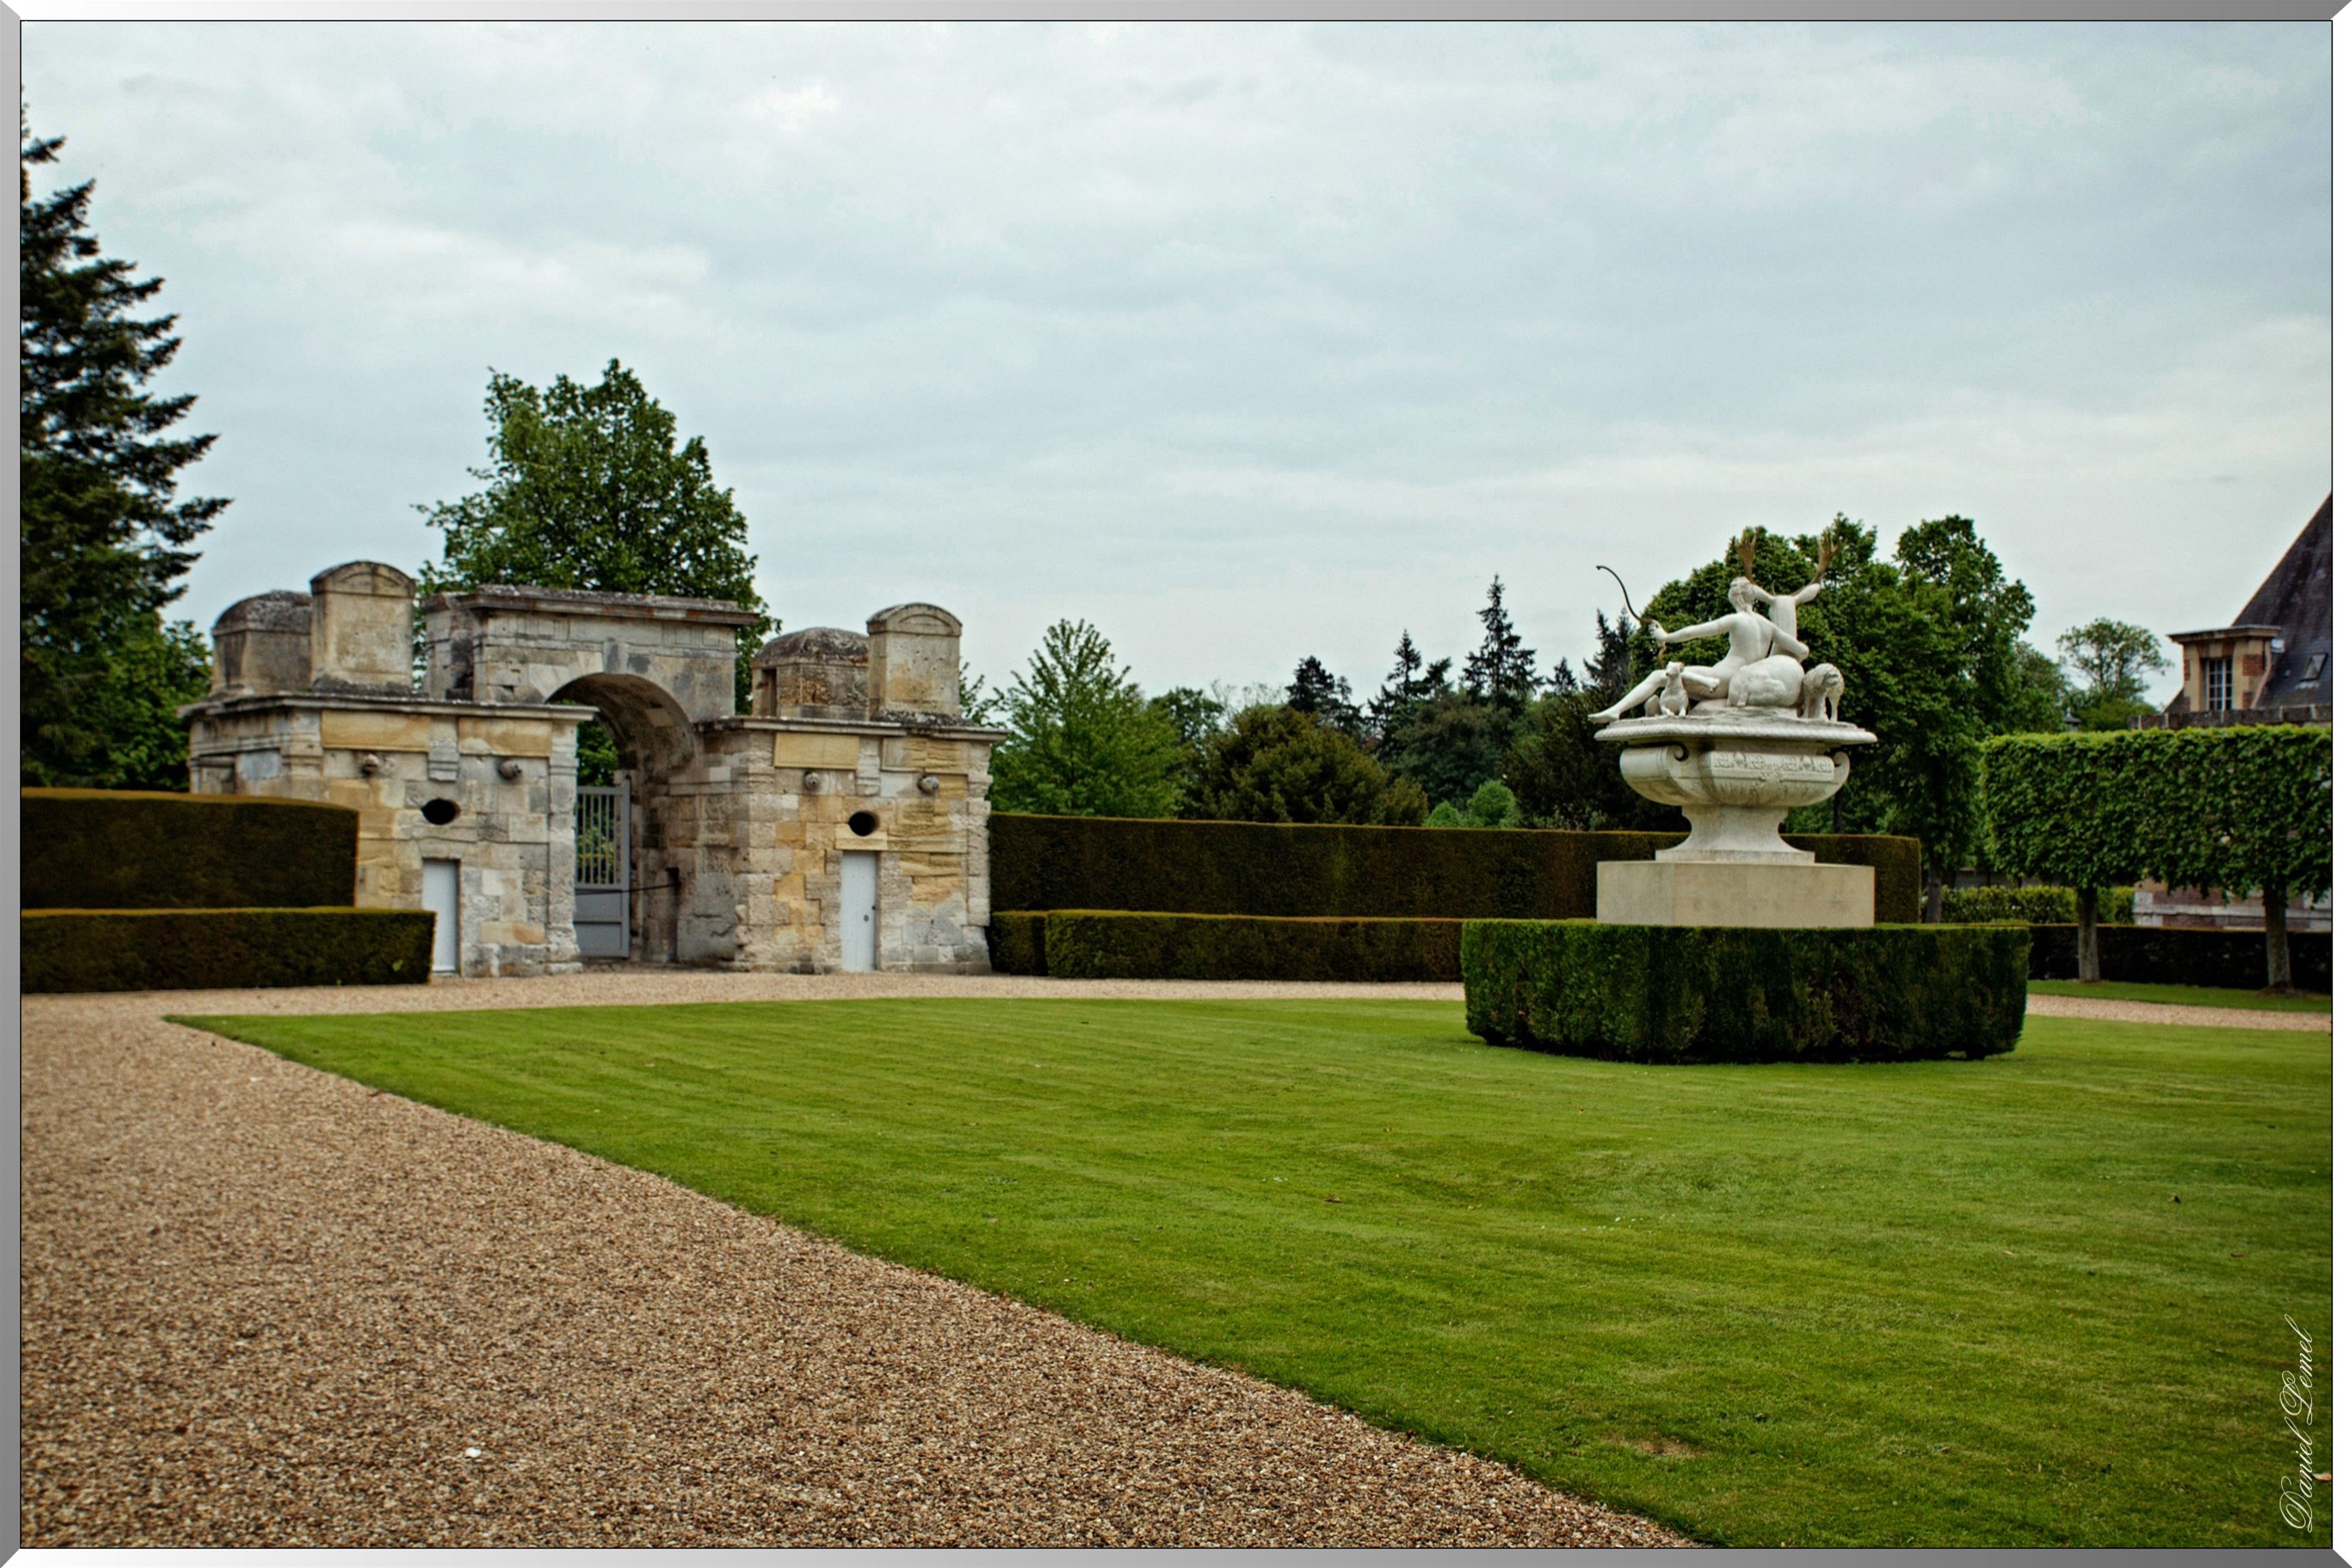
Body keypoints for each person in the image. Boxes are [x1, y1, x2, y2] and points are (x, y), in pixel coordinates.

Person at [1588, 576, 1808, 724]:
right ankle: (1623, 710)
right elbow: (1802, 650)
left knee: (1658, 677)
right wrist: (1767, 663)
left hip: (1721, 680)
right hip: (1737, 682)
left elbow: (1694, 632)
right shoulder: (1767, 626)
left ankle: (1617, 710)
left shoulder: (1737, 620)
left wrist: (1666, 637)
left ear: (1736, 597)